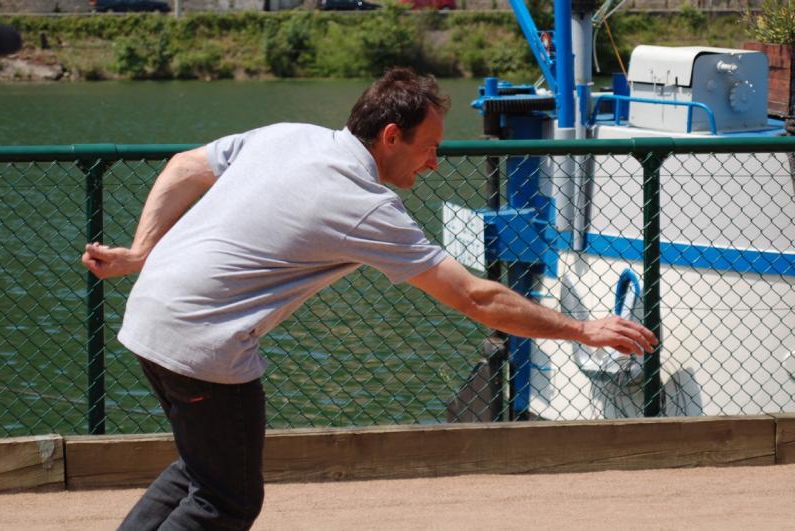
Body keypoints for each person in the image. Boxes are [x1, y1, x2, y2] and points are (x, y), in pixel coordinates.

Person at [82, 67, 657, 530]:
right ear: (391, 136)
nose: (435, 162)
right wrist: (582, 330)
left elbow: (184, 166)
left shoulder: (289, 135)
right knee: (227, 501)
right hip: (200, 344)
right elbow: (475, 298)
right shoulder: (364, 205)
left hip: (151, 313)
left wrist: (141, 252)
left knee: (202, 471)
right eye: (429, 147)